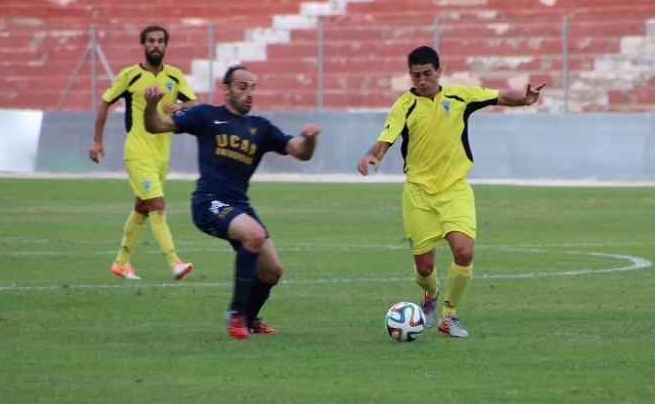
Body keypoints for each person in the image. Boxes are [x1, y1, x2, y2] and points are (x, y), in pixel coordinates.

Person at [357, 46, 545, 338]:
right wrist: (373, 157)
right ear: (410, 75)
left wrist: (524, 99)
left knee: (464, 251)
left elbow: (498, 95)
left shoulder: (459, 96)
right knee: (424, 267)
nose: (421, 80)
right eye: (416, 75)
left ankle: (449, 315)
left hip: (455, 190)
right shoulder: (404, 106)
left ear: (439, 71)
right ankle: (430, 293)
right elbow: (385, 139)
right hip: (419, 195)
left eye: (427, 74)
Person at [143, 65, 321, 339]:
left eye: (253, 88)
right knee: (254, 235)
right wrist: (151, 106)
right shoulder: (205, 115)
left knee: (272, 271)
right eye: (243, 87)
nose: (249, 94)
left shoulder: (260, 127)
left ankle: (249, 318)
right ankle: (236, 314)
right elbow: (155, 125)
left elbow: (301, 153)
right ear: (226, 90)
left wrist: (309, 140)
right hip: (208, 202)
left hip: (239, 206)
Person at [89, 25, 197, 281]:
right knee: (158, 205)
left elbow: (193, 102)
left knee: (142, 207)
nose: (156, 45)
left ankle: (121, 263)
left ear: (166, 46)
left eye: (160, 41)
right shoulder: (131, 76)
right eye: (151, 41)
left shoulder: (174, 76)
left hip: (162, 154)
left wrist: (180, 106)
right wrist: (96, 141)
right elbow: (106, 101)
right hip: (137, 152)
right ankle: (175, 262)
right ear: (144, 45)